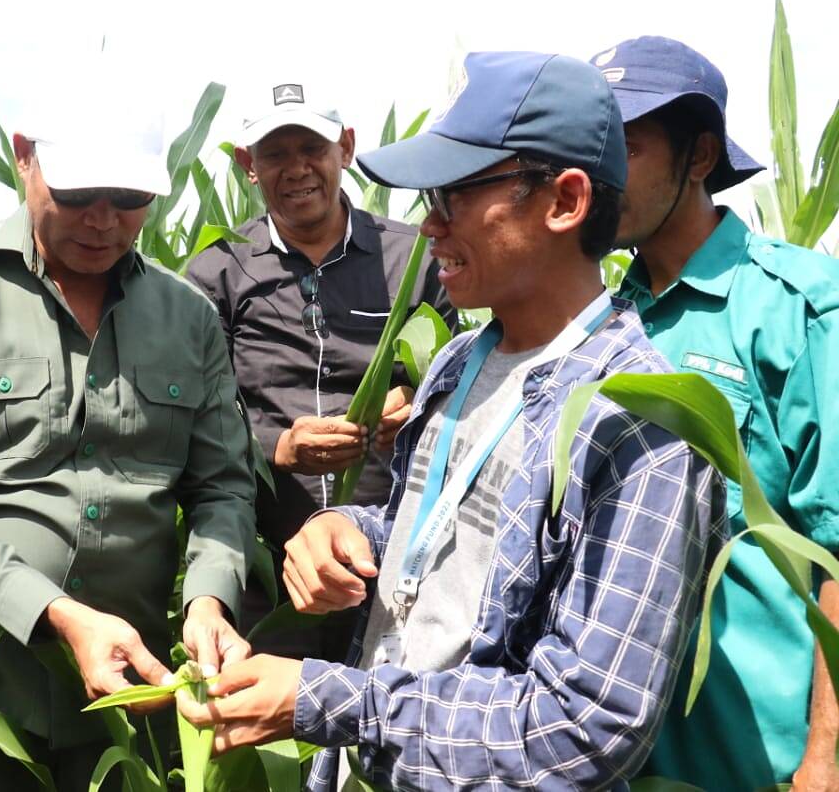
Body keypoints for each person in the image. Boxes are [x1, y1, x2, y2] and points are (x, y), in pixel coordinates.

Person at [177, 51, 726, 791]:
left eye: (452, 197)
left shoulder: (638, 424)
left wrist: (328, 699)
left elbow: (585, 727)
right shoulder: (459, 362)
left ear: (564, 202)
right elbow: (438, 545)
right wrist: (350, 533)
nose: (427, 225)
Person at [0, 86, 257, 790]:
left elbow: (223, 486)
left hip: (128, 697)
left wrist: (208, 598)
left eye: (130, 195)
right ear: (25, 157)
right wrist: (57, 612)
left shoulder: (189, 317)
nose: (105, 219)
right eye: (81, 191)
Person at [594, 35, 839, 792]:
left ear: (700, 157)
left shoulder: (797, 309)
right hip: (618, 758)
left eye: (625, 148)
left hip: (758, 761)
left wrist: (825, 760)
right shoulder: (601, 322)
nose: (601, 174)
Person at [186, 84, 454, 661]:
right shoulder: (218, 271)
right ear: (247, 167)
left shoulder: (414, 259)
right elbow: (194, 419)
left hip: (397, 561)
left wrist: (415, 401)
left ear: (347, 148)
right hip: (273, 571)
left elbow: (465, 379)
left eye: (313, 147)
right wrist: (275, 448)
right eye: (275, 154)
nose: (297, 169)